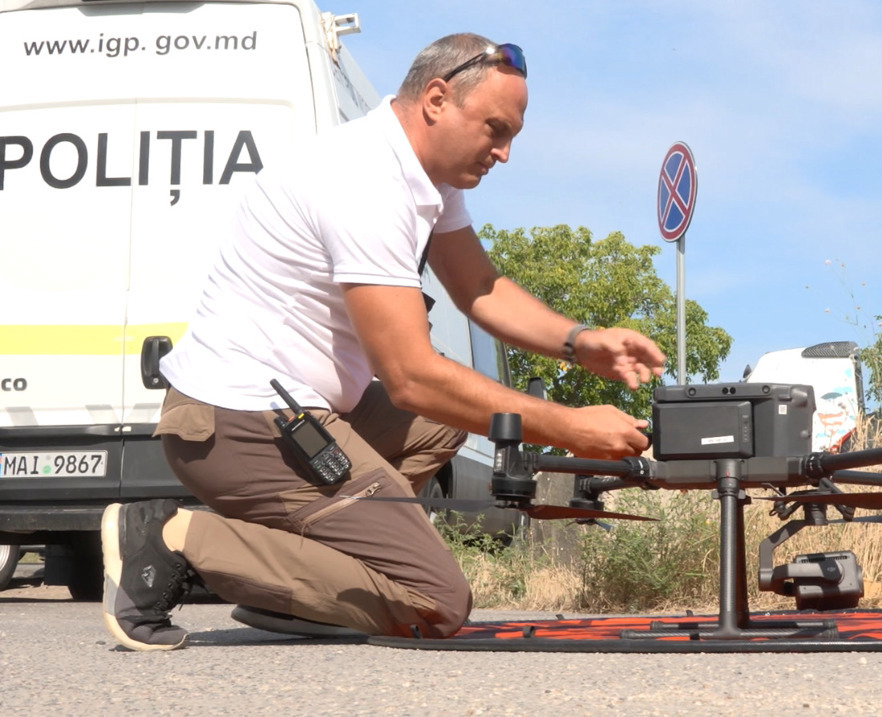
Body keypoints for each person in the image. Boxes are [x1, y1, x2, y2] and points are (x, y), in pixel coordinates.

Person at [100, 33, 665, 652]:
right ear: (437, 99)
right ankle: (167, 539)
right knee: (435, 603)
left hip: (285, 414)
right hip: (236, 425)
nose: (503, 153)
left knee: (440, 420)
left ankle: (320, 587)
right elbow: (410, 376)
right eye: (495, 129)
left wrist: (581, 342)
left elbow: (478, 285)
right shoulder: (365, 181)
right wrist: (569, 427)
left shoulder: (425, 176)